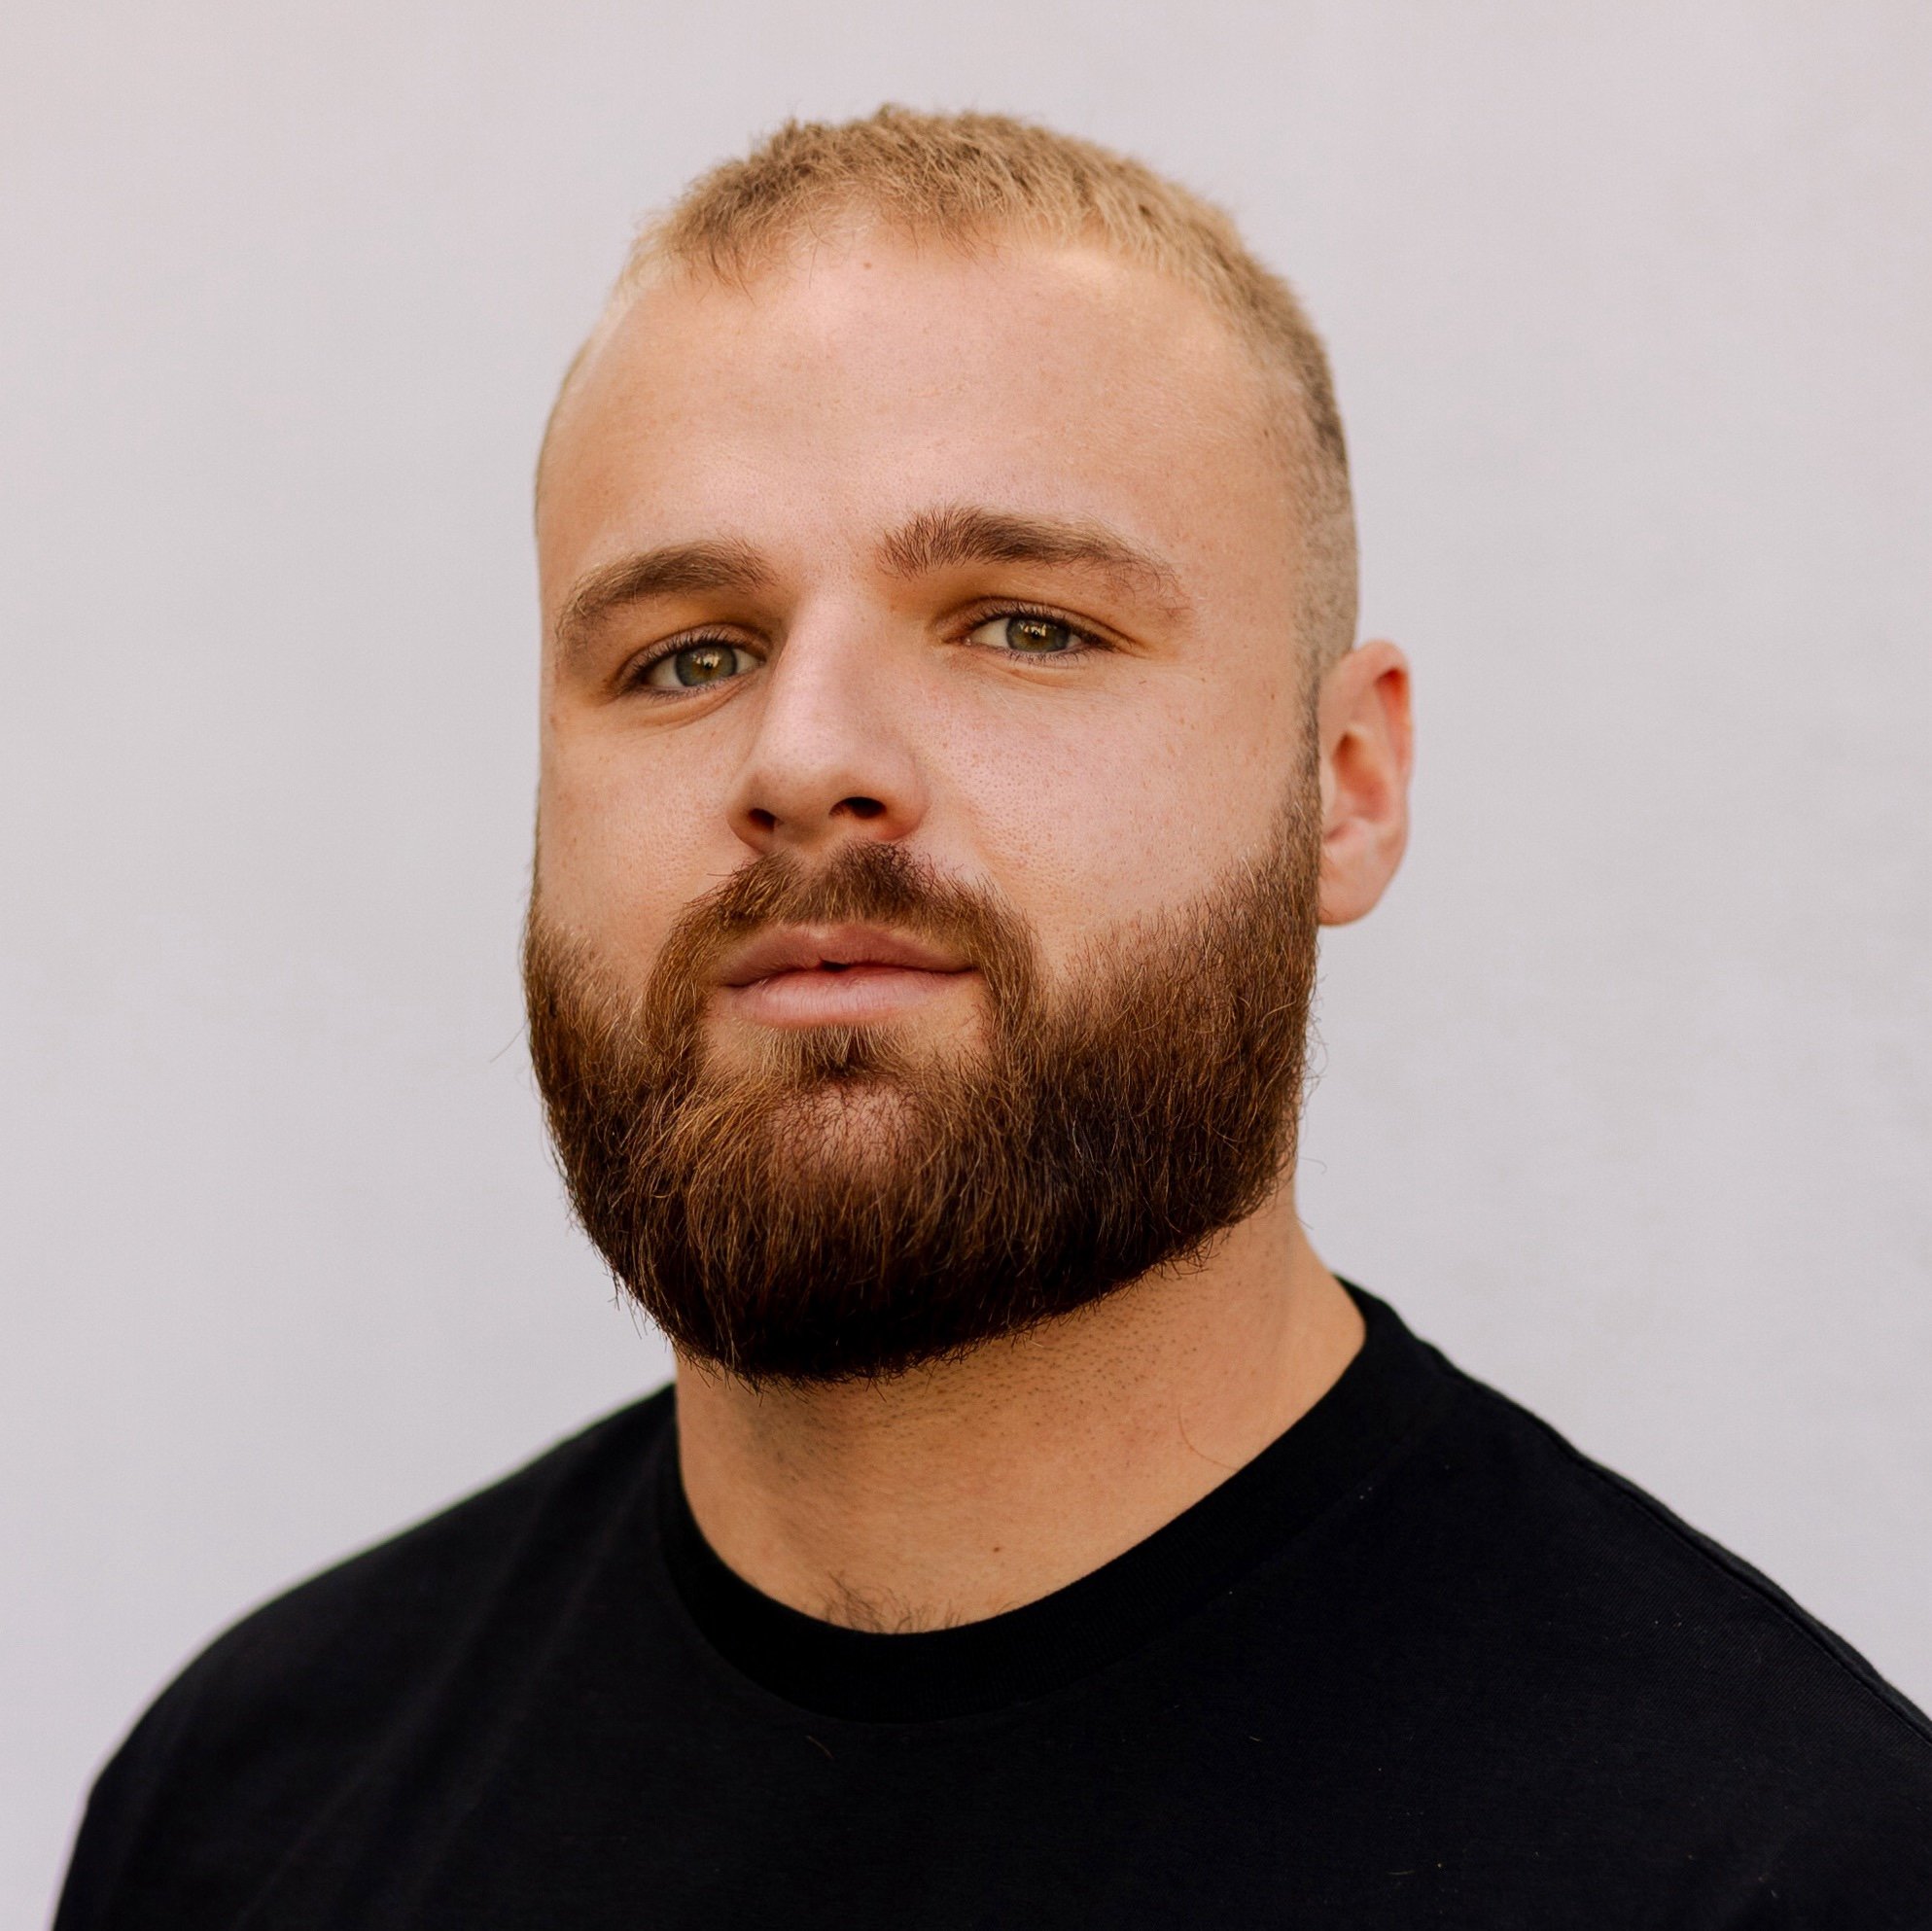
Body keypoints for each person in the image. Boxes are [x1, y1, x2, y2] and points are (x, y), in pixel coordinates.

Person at [55, 106, 1932, 1929]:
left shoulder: (1782, 1866)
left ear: (1345, 785)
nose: (804, 755)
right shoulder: (250, 1806)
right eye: (687, 654)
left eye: (1026, 623)